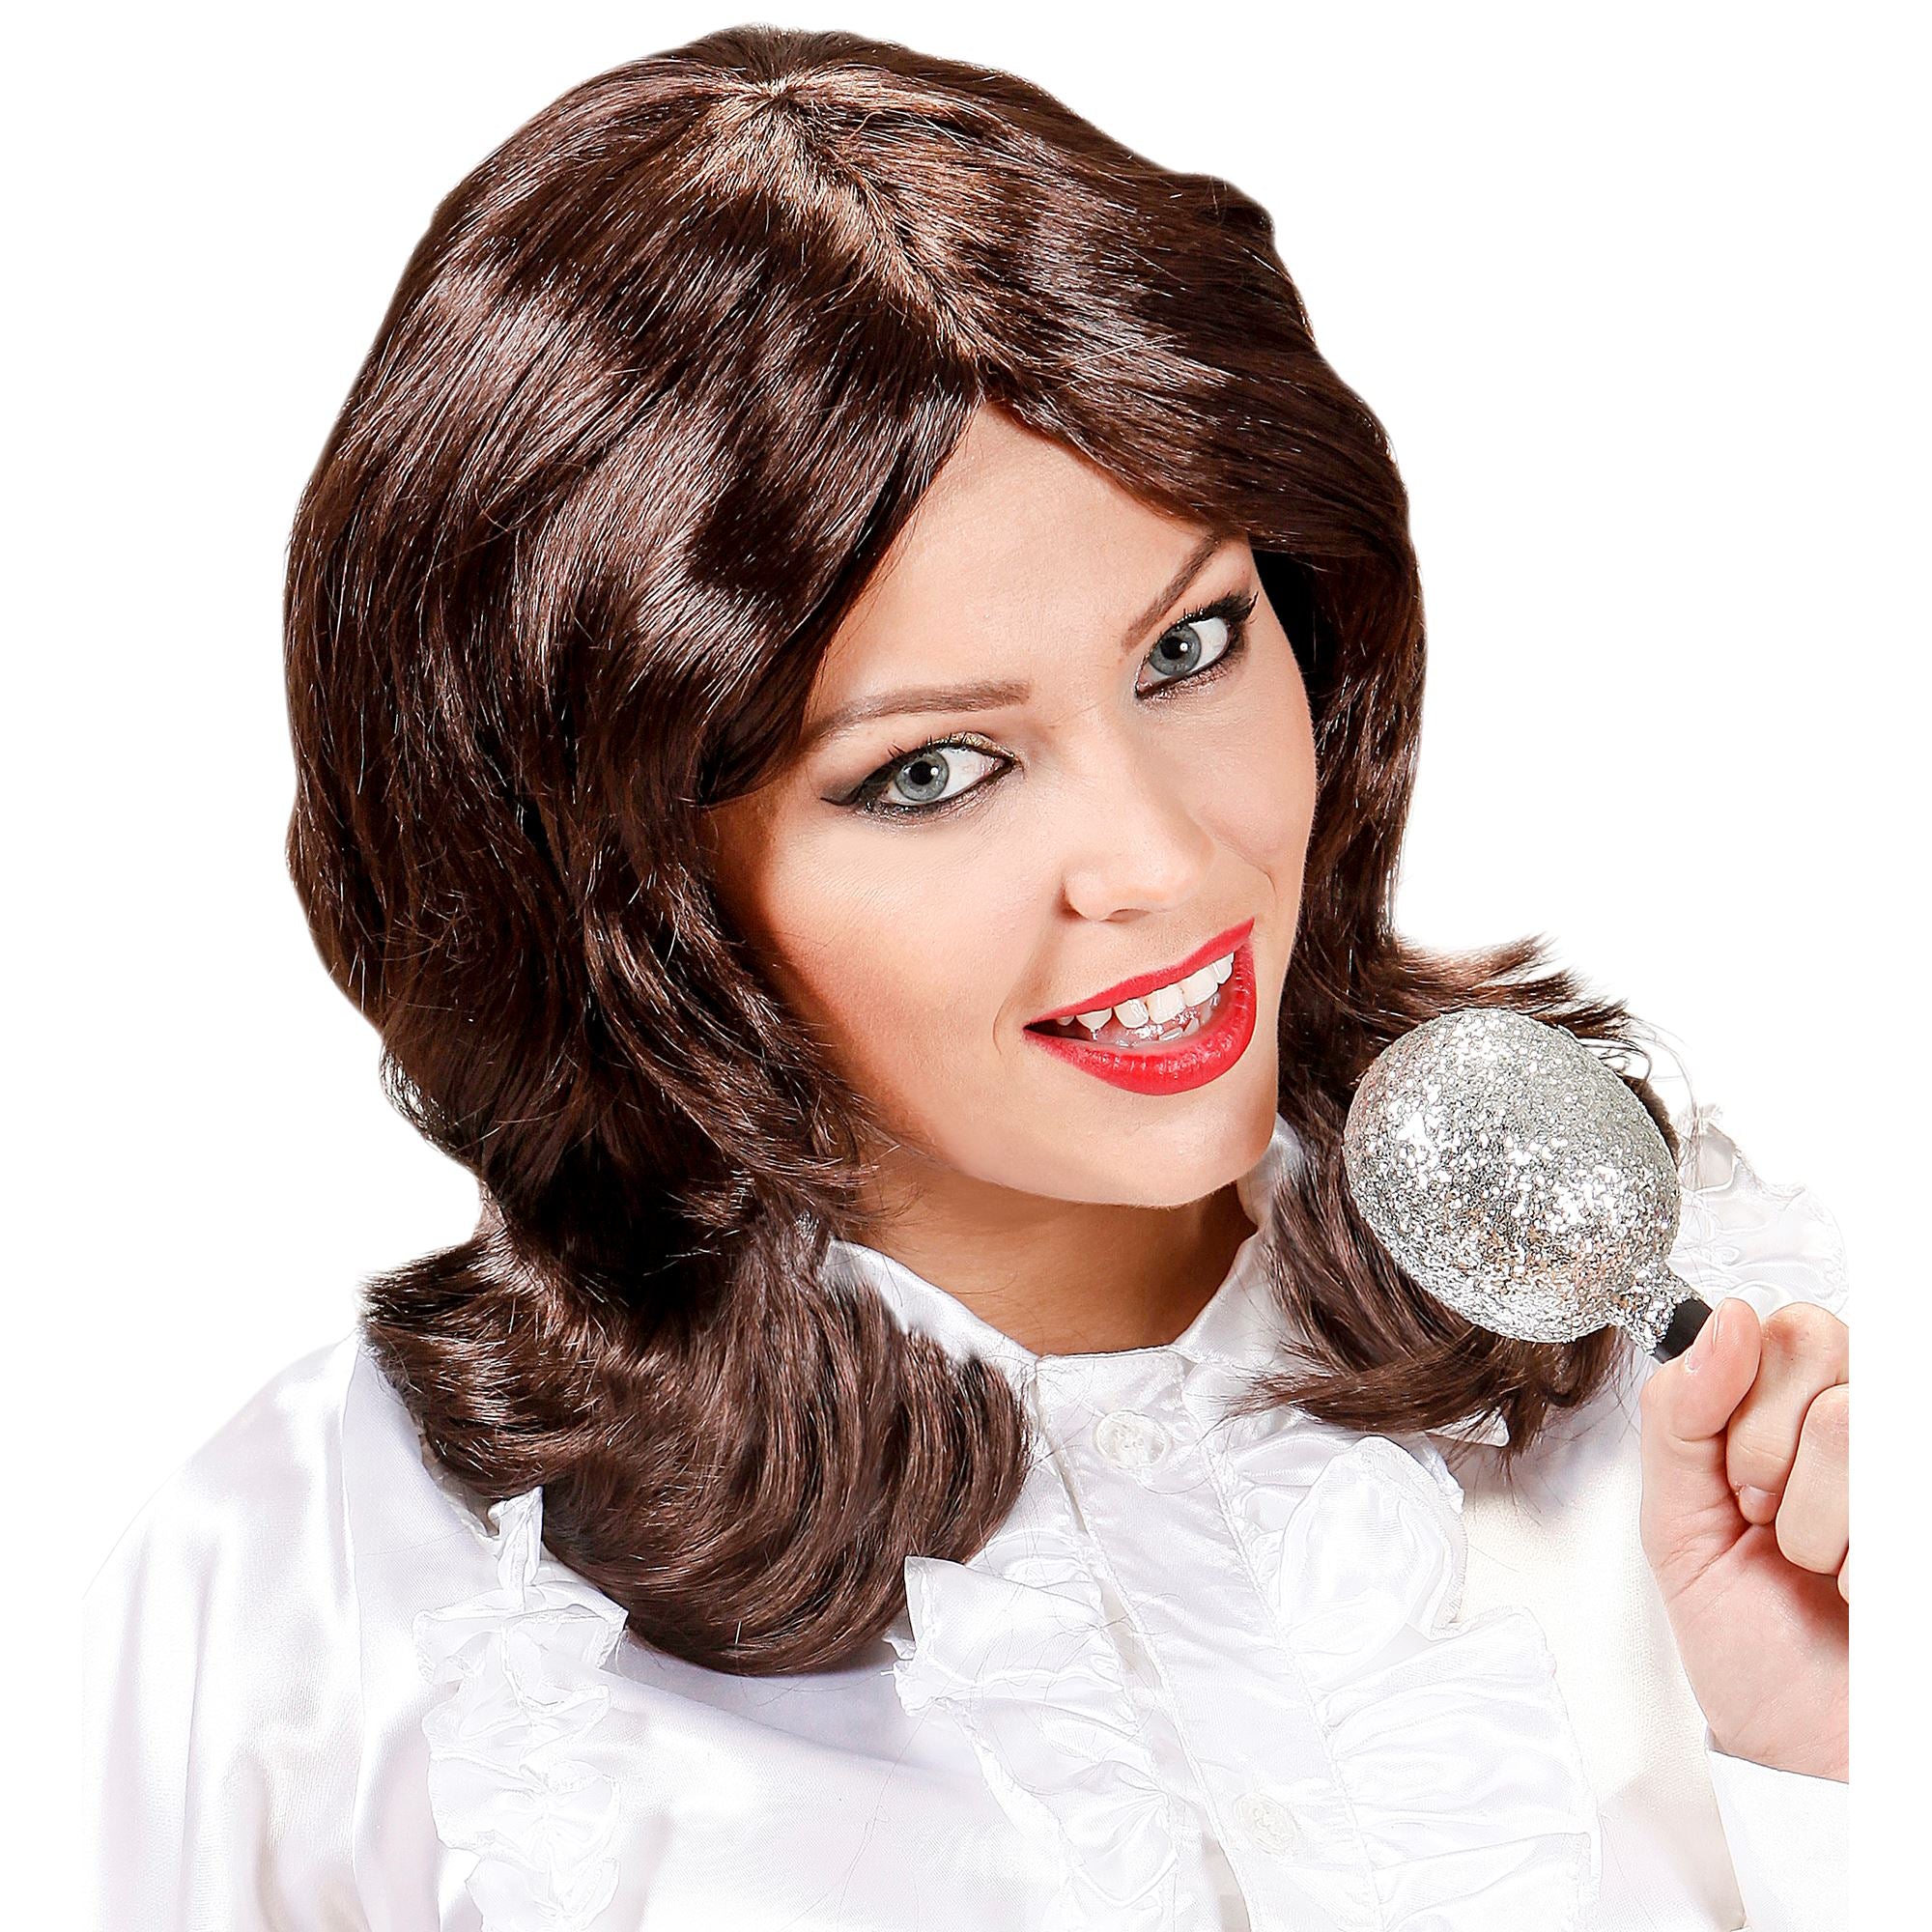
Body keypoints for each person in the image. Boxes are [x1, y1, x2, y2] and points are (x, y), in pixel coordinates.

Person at [82, 24, 1852, 1931]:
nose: (1164, 860)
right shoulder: (328, 1598)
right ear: (626, 894)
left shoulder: (1740, 1393)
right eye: (933, 771)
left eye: (1188, 647)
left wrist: (1837, 1778)